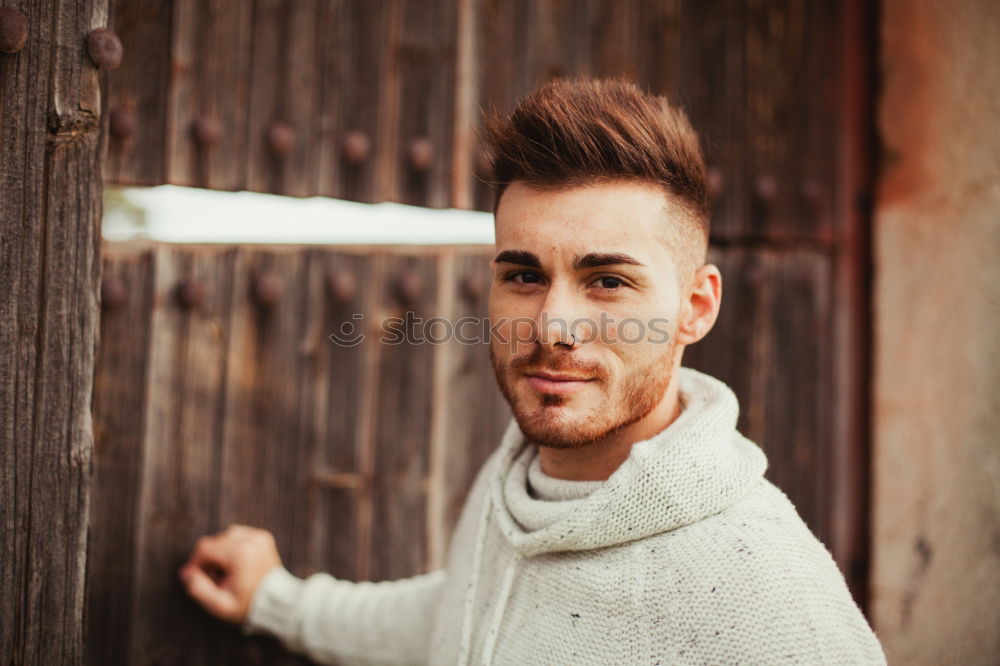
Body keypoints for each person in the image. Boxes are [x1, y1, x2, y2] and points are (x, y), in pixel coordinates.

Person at [179, 77, 887, 665]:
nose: (553, 327)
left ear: (696, 307)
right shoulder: (522, 474)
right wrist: (278, 600)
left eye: (607, 281)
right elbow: (469, 608)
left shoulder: (761, 593)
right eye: (523, 274)